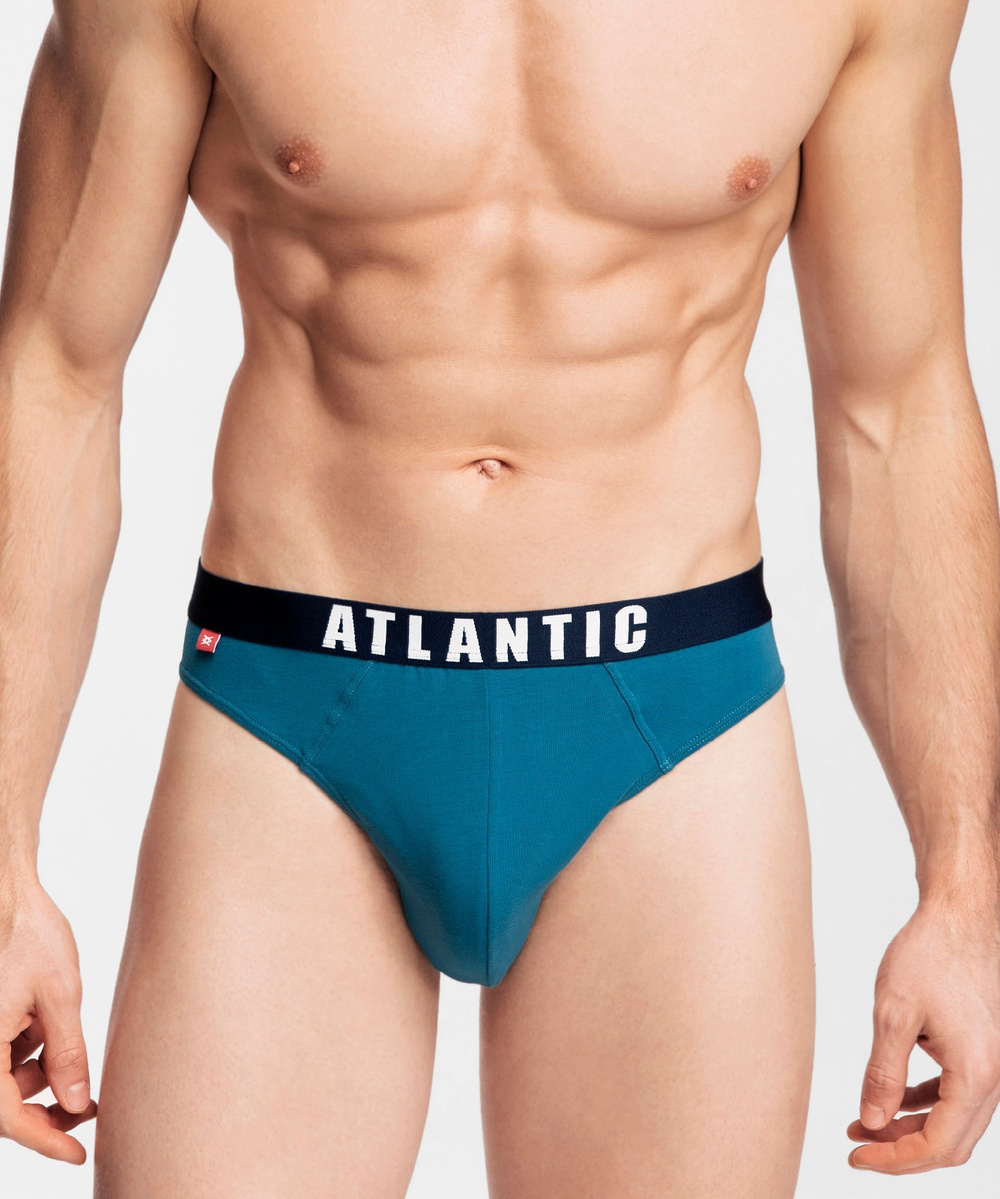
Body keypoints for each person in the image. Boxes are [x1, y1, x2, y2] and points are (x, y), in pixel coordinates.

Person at [1, 0, 998, 1193]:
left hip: (668, 718)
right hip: (294, 704)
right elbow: (53, 371)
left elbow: (898, 406)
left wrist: (965, 887)